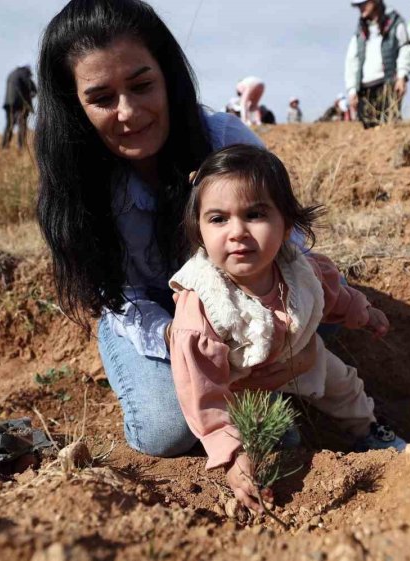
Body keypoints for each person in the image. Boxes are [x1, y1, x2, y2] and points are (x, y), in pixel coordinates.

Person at [35, 0, 320, 460]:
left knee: (329, 296)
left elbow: (288, 242)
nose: (128, 112)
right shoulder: (80, 185)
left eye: (142, 85)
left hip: (239, 300)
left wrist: (284, 332)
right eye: (102, 98)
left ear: (168, 77)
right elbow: (120, 295)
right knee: (166, 430)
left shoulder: (223, 140)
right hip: (148, 315)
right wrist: (186, 344)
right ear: (74, 105)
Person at [169, 145, 407, 511]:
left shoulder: (301, 270)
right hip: (241, 384)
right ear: (198, 231)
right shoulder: (204, 305)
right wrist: (229, 453)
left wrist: (364, 312)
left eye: (255, 214)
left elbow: (334, 295)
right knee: (278, 441)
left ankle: (367, 431)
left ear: (288, 225)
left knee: (345, 385)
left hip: (302, 356)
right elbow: (202, 392)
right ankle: (266, 455)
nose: (237, 232)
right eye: (218, 219)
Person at [344, 0, 410, 129]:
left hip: (388, 84)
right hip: (365, 89)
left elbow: (405, 49)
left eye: (363, 4)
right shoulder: (360, 31)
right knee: (369, 132)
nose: (360, 8)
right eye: (358, 5)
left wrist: (402, 76)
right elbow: (352, 61)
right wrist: (352, 90)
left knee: (391, 126)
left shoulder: (395, 22)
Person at [2, 64, 37, 150]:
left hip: (8, 103)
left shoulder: (12, 74)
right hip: (19, 104)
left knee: (9, 125)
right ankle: (21, 146)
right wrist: (32, 93)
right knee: (22, 124)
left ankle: (5, 146)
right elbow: (31, 86)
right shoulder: (24, 73)